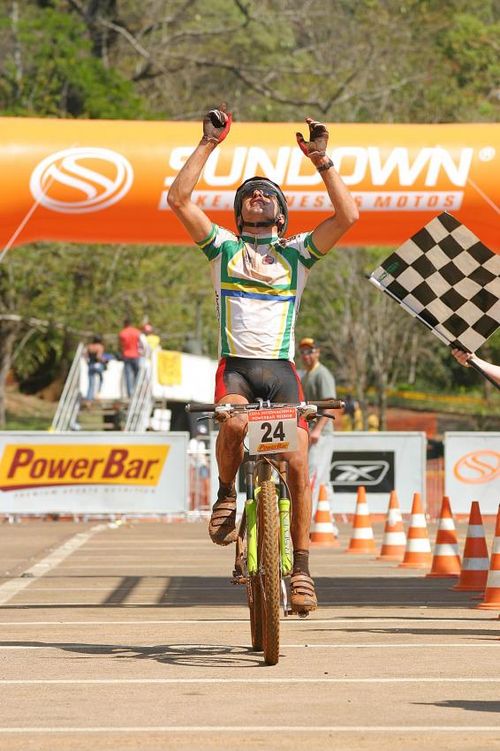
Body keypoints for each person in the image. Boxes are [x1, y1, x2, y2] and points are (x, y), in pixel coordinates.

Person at [167, 104, 358, 613]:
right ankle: (227, 494)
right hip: (237, 368)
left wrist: (323, 161)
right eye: (249, 193)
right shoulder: (222, 249)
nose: (258, 194)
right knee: (231, 427)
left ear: (280, 212)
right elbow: (178, 199)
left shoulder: (297, 254)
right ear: (239, 213)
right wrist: (209, 143)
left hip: (281, 373)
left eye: (268, 193)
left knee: (297, 464)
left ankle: (301, 570)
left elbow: (348, 217)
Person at [298, 337, 338, 515]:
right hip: (313, 432)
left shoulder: (322, 374)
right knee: (322, 480)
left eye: (310, 351)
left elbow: (331, 405)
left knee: (313, 475)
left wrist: (317, 430)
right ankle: (326, 525)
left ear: (318, 352)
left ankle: (311, 520)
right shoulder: (307, 375)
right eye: (303, 352)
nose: (306, 355)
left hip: (321, 434)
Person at [119, 318, 143, 397]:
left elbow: (121, 346)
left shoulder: (122, 333)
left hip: (126, 355)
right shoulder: (137, 332)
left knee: (128, 375)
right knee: (137, 374)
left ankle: (130, 393)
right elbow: (142, 343)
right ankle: (137, 391)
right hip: (136, 355)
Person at [85, 335, 105, 401]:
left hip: (91, 365)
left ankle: (89, 398)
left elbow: (85, 356)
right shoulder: (100, 347)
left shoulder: (89, 346)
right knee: (101, 379)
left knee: (91, 383)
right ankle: (98, 393)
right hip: (98, 365)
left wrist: (88, 363)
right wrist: (104, 360)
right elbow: (98, 357)